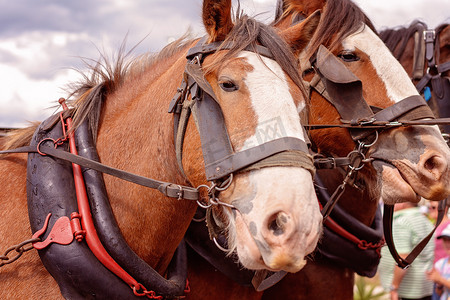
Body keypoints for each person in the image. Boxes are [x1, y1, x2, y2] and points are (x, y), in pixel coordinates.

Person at [378, 202, 435, 300]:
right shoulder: (424, 220)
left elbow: (403, 258)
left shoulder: (402, 222)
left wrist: (394, 287)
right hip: (424, 287)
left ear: (403, 203)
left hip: (406, 290)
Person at [426, 223, 450, 300]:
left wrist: (440, 279)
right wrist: (439, 284)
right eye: (445, 240)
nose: (447, 244)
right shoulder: (441, 264)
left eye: (449, 240)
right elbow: (439, 293)